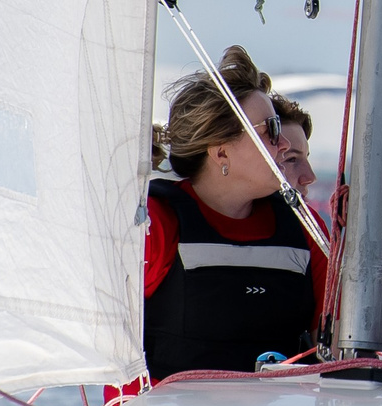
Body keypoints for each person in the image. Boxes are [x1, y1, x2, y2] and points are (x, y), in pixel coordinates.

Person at [141, 47, 328, 381]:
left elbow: (334, 356)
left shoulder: (306, 229)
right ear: (222, 151)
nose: (283, 143)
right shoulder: (153, 223)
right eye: (270, 128)